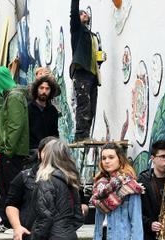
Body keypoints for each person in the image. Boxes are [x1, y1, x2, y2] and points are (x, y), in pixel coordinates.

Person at [0, 66, 30, 227]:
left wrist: (8, 149)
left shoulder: (14, 97)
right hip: (11, 151)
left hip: (12, 153)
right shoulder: (13, 96)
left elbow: (15, 125)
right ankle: (7, 220)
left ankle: (8, 221)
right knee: (7, 187)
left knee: (9, 188)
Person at [29, 140, 85, 240]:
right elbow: (78, 217)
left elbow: (45, 218)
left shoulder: (46, 181)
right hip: (70, 238)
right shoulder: (71, 180)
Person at [6, 137, 57, 240]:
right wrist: (17, 227)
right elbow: (11, 204)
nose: (49, 155)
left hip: (57, 239)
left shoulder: (66, 178)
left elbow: (82, 206)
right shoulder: (24, 176)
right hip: (29, 235)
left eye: (53, 152)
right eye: (45, 152)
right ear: (39, 154)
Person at [69, 0, 102, 142]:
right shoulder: (77, 30)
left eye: (86, 13)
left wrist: (101, 57)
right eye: (81, 13)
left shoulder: (92, 35)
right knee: (84, 103)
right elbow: (73, 12)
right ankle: (80, 135)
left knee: (91, 107)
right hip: (82, 71)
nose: (84, 14)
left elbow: (95, 55)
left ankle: (86, 134)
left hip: (93, 74)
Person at [28, 74, 61, 150]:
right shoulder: (28, 108)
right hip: (31, 150)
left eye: (47, 89)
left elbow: (54, 132)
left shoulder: (53, 111)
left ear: (51, 91)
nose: (44, 91)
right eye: (41, 88)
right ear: (36, 89)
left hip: (47, 150)